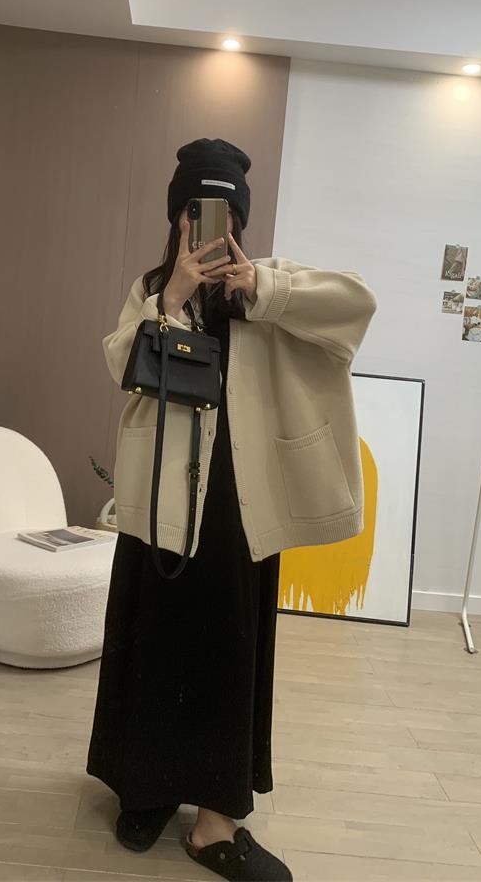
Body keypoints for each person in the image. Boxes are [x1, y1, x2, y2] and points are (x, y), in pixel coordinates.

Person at [86, 138, 377, 881]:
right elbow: (122, 364)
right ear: (177, 217)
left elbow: (357, 306)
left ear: (242, 221)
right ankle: (146, 792)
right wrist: (171, 302)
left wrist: (262, 289)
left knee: (227, 653)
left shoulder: (272, 284)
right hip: (161, 505)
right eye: (195, 210)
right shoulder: (154, 288)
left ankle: (214, 822)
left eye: (223, 214)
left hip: (238, 510)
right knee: (152, 644)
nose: (210, 227)